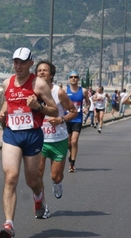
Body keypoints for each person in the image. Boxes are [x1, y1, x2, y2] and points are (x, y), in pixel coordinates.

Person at [0, 47, 58, 238]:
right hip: (12, 135)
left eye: (22, 62)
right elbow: (8, 102)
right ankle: (9, 225)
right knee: (11, 176)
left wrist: (37, 106)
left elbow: (54, 111)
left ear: (31, 64)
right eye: (15, 62)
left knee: (32, 181)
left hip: (32, 136)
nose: (18, 66)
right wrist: (3, 112)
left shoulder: (38, 85)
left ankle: (39, 196)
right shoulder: (7, 83)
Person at [35, 60, 77, 200]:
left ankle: (57, 183)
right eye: (39, 70)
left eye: (45, 70)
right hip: (39, 139)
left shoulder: (58, 92)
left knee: (56, 176)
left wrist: (61, 119)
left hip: (58, 138)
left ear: (51, 75)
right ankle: (40, 204)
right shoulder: (32, 92)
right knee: (37, 174)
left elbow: (73, 111)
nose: (41, 72)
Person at [65, 70, 91, 172]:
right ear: (69, 79)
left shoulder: (83, 91)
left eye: (75, 77)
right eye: (71, 77)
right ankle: (71, 155)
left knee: (74, 141)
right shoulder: (64, 90)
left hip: (77, 119)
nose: (73, 79)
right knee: (68, 143)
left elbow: (88, 103)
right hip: (67, 118)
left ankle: (72, 163)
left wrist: (86, 108)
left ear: (78, 79)